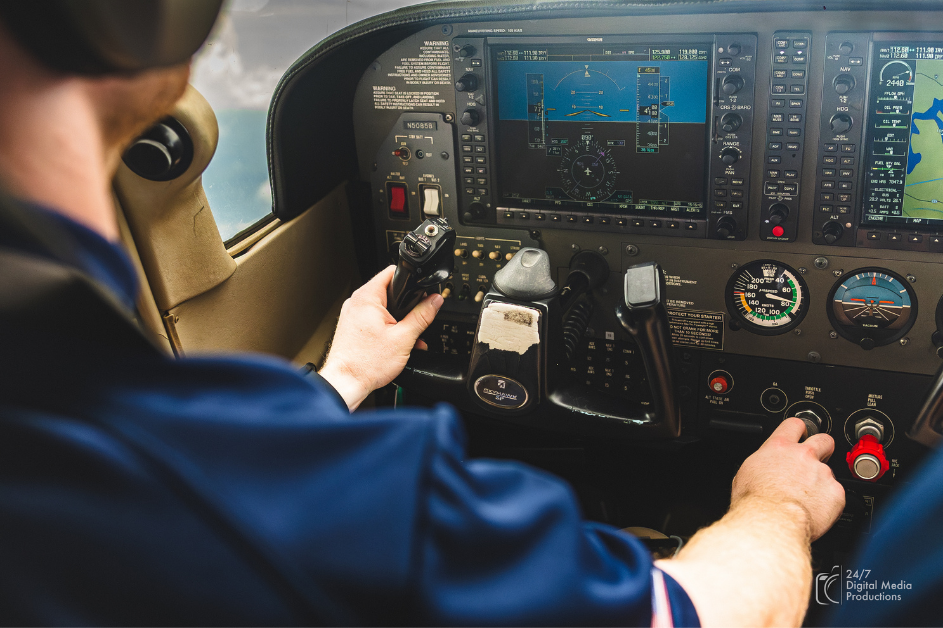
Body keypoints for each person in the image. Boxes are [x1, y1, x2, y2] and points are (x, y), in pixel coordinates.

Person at [0, 4, 845, 626]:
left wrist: (341, 377)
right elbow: (715, 612)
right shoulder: (209, 482)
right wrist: (778, 506)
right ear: (130, 22)